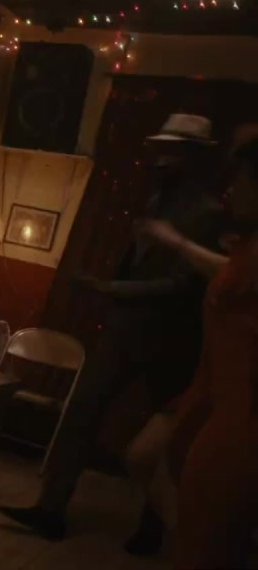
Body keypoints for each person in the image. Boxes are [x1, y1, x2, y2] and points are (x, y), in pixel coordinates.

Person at [0, 114, 224, 547]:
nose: (161, 159)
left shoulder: (208, 213)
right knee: (81, 410)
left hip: (172, 339)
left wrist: (109, 288)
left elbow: (183, 286)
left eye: (174, 151)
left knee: (162, 439)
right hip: (124, 329)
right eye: (162, 149)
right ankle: (50, 510)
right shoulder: (157, 201)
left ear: (195, 157)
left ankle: (152, 529)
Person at [137, 130, 258, 568]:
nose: (233, 188)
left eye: (243, 178)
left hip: (237, 405)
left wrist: (178, 244)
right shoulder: (246, 244)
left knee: (208, 528)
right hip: (210, 385)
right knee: (148, 462)